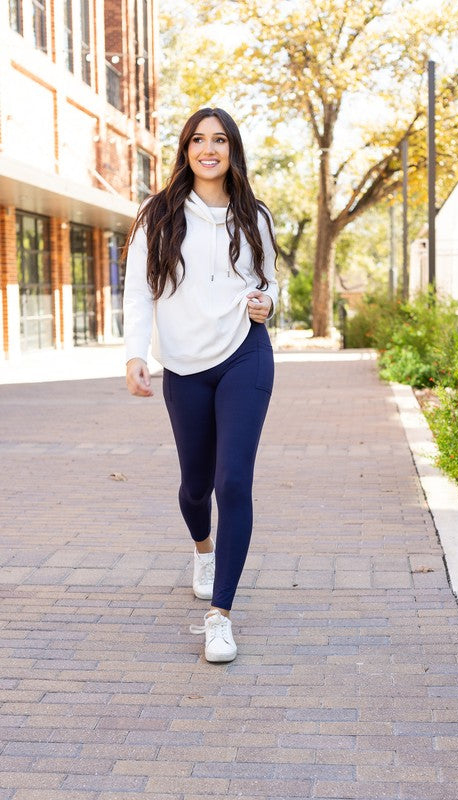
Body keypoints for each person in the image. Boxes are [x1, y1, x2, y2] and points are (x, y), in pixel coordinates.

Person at [122, 108, 278, 663]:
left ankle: (221, 617)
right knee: (196, 486)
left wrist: (266, 302)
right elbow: (140, 293)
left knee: (233, 482)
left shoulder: (253, 216)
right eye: (197, 140)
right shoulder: (158, 216)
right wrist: (135, 355)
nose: (208, 149)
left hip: (246, 355)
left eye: (219, 140)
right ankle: (203, 550)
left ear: (232, 149)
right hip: (184, 365)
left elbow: (268, 282)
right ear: (185, 150)